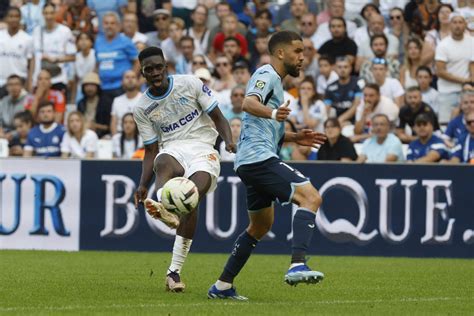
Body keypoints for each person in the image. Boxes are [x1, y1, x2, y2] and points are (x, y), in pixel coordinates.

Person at [208, 31, 327, 301]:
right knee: (311, 197)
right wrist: (274, 112)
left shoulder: (276, 81)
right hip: (258, 158)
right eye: (297, 51)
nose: (302, 57)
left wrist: (295, 136)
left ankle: (222, 285)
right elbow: (249, 103)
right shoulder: (267, 74)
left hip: (251, 159)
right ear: (281, 53)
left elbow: (262, 128)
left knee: (260, 226)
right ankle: (297, 263)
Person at [132, 46, 235, 292]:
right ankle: (164, 206)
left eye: (159, 67)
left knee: (191, 195)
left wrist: (229, 139)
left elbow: (219, 116)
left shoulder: (190, 83)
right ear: (143, 73)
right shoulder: (141, 108)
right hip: (173, 147)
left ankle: (173, 270)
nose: (155, 72)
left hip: (203, 147)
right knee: (163, 163)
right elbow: (150, 150)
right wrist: (143, 184)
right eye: (149, 70)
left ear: (166, 67)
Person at [435, 12, 474, 124]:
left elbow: (472, 64)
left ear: (465, 24)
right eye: (455, 22)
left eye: (460, 22)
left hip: (468, 91)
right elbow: (440, 71)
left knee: (470, 124)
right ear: (450, 25)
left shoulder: (472, 42)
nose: (458, 25)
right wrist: (464, 80)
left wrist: (471, 82)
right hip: (447, 91)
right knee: (446, 125)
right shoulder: (443, 45)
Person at [32, 2, 76, 96]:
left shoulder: (65, 31)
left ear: (56, 13)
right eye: (46, 13)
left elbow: (73, 57)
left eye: (51, 13)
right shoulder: (37, 31)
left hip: (59, 78)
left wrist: (55, 59)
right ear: (42, 14)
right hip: (40, 79)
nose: (49, 16)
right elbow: (33, 58)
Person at [95, 11, 139, 103]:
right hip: (103, 87)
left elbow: (137, 61)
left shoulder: (126, 41)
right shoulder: (98, 42)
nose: (109, 26)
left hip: (121, 87)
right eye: (106, 23)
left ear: (118, 25)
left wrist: (130, 78)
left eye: (112, 23)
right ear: (102, 25)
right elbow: (97, 63)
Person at [0, 7, 35, 97]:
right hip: (1, 81)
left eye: (16, 16)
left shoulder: (27, 39)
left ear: (20, 18)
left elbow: (30, 63)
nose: (14, 19)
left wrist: (29, 82)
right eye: (11, 16)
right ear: (6, 18)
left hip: (19, 82)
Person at [324, 57, 362, 124]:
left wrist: (339, 121)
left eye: (345, 67)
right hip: (336, 121)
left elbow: (356, 105)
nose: (342, 69)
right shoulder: (330, 87)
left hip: (354, 121)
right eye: (339, 67)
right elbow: (326, 109)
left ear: (350, 68)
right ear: (335, 69)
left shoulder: (358, 83)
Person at [110, 70, 142, 135]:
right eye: (127, 77)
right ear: (122, 82)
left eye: (133, 77)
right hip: (120, 136)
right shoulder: (117, 100)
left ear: (138, 81)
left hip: (140, 137)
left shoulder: (144, 99)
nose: (130, 80)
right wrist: (116, 139)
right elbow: (113, 123)